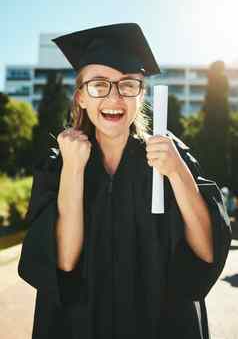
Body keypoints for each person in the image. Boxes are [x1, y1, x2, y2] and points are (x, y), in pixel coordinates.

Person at [18, 23, 232, 339]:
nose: (114, 97)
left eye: (128, 85)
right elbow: (63, 262)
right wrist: (73, 172)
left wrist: (177, 173)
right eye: (98, 85)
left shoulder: (170, 157)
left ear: (140, 94)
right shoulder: (58, 167)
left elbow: (206, 254)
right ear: (81, 97)